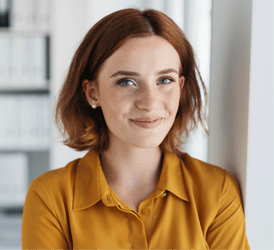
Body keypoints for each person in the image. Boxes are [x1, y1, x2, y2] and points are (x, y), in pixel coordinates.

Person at [22, 8, 250, 249]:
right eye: (126, 82)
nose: (149, 102)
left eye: (165, 80)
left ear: (181, 87)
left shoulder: (217, 191)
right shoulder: (50, 197)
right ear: (93, 92)